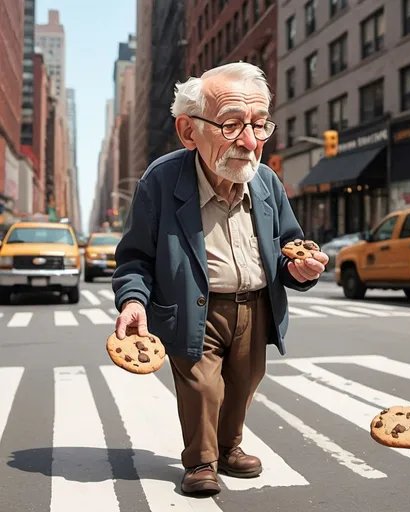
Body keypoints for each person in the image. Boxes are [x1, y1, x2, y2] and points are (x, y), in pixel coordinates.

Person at [112, 62, 329, 496]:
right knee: (202, 386)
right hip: (197, 307)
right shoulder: (161, 180)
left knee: (245, 383)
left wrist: (301, 270)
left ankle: (230, 447)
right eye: (231, 125)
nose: (250, 142)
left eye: (259, 125)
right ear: (189, 131)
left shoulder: (266, 182)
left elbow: (288, 247)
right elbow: (135, 257)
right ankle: (201, 461)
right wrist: (133, 302)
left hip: (256, 306)